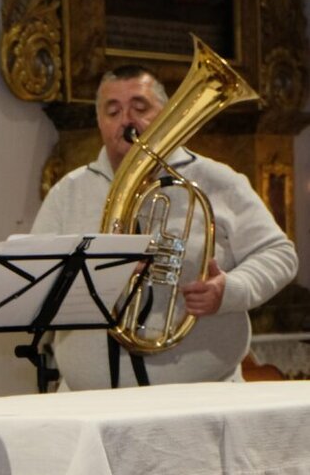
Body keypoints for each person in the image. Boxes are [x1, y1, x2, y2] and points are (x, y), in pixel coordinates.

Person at [30, 64, 297, 390]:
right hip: (90, 400)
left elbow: (280, 254)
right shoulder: (68, 192)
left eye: (140, 108)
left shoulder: (217, 179)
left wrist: (230, 290)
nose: (126, 120)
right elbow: (38, 284)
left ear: (168, 115)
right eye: (112, 111)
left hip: (203, 396)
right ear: (99, 122)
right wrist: (105, 275)